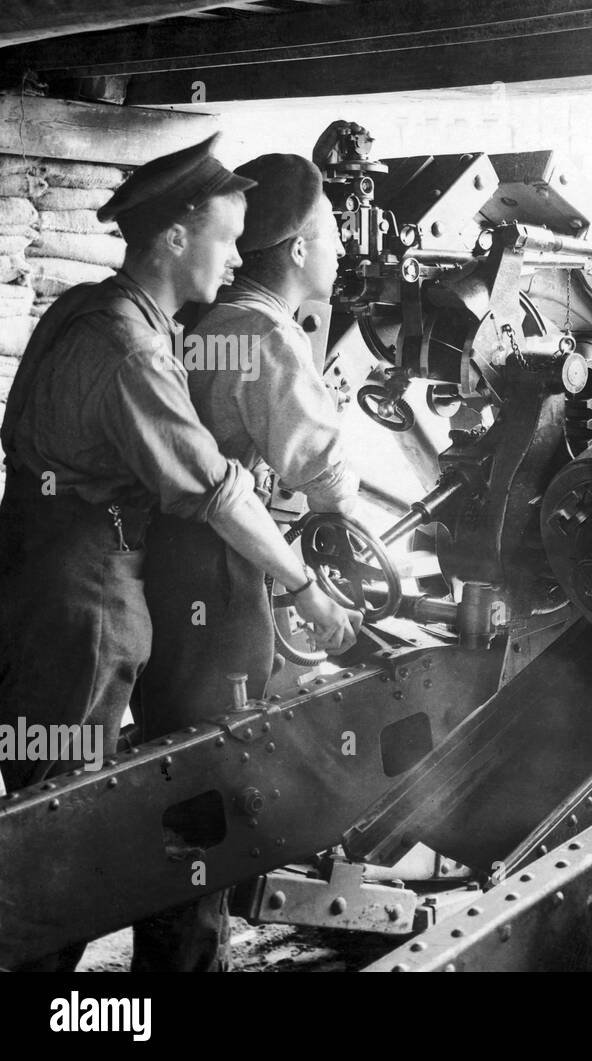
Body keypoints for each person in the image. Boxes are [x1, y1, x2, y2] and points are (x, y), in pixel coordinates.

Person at [0, 134, 361, 972]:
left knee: (47, 798)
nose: (238, 257)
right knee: (66, 820)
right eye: (227, 237)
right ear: (173, 237)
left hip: (36, 567)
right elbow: (216, 488)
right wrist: (304, 584)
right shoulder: (133, 350)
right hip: (84, 592)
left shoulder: (86, 308)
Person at [132, 154, 362, 972]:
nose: (344, 251)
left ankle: (176, 949)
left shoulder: (200, 323)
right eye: (334, 233)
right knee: (211, 776)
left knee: (174, 768)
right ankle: (185, 961)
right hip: (221, 580)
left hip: (170, 573)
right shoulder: (263, 333)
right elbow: (322, 468)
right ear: (299, 249)